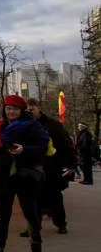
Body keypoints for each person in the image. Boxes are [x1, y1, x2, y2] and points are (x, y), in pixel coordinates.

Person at [0, 95, 49, 252]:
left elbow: (43, 147)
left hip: (24, 176)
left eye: (15, 109)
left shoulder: (32, 126)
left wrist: (24, 150)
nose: (11, 112)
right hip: (3, 176)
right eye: (8, 108)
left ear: (21, 111)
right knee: (2, 216)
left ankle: (36, 249)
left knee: (30, 213)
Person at [21, 99, 76, 235]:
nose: (29, 112)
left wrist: (70, 164)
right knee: (33, 200)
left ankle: (61, 223)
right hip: (32, 168)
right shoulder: (23, 125)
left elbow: (66, 146)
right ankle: (33, 226)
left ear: (38, 108)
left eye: (31, 109)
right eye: (27, 110)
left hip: (51, 168)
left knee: (55, 198)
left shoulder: (53, 125)